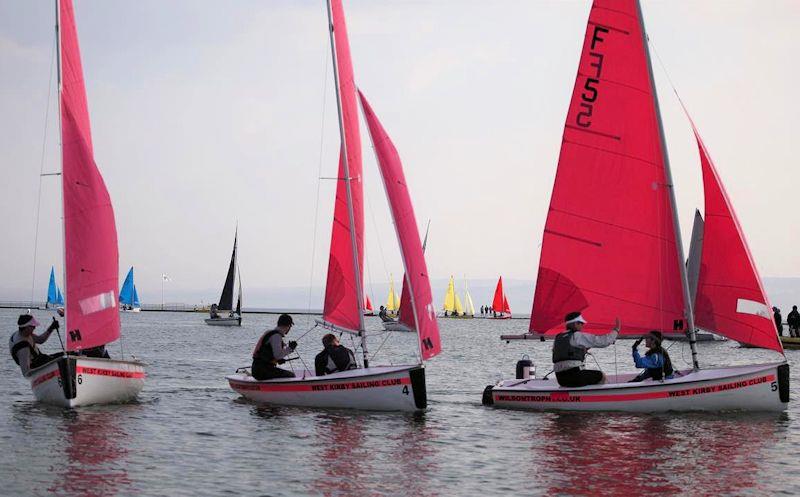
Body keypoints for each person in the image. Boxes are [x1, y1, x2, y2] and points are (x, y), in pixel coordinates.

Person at [552, 311, 620, 387]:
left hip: (561, 379)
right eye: (581, 323)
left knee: (586, 375)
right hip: (575, 375)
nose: (583, 325)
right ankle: (595, 397)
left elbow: (565, 353)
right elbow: (603, 341)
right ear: (575, 323)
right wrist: (616, 330)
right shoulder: (577, 336)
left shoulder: (558, 337)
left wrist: (582, 351)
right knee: (601, 375)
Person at [251, 314, 297, 380]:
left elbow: (267, 354)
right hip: (262, 370)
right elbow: (277, 355)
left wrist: (277, 360)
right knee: (291, 375)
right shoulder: (276, 336)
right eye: (290, 326)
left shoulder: (269, 332)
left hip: (257, 368)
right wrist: (290, 349)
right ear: (289, 326)